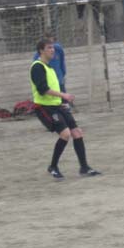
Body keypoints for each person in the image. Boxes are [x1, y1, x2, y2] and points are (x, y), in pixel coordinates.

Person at [30, 39, 101, 179]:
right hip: (44, 107)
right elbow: (43, 90)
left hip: (57, 106)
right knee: (65, 134)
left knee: (77, 133)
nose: (53, 50)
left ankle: (84, 168)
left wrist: (62, 101)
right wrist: (64, 95)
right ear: (41, 51)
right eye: (49, 48)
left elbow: (54, 88)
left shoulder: (50, 68)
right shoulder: (37, 67)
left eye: (53, 48)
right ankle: (53, 166)